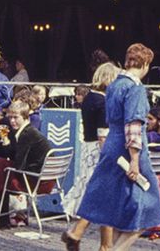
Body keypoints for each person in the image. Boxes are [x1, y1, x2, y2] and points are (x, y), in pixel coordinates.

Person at [71, 44, 160, 250]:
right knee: (148, 208)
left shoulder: (113, 85)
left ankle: (88, 237)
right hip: (128, 149)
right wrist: (136, 161)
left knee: (114, 202)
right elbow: (133, 125)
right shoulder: (136, 88)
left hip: (112, 144)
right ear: (145, 63)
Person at [62, 62, 118, 249]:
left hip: (88, 147)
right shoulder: (103, 102)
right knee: (103, 196)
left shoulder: (88, 99)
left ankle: (104, 244)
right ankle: (82, 233)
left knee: (100, 195)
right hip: (99, 150)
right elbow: (103, 134)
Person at [0, 99, 52, 226]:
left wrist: (6, 149)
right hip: (42, 177)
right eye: (10, 117)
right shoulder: (26, 131)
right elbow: (11, 155)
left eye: (16, 117)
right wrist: (6, 141)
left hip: (36, 181)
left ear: (25, 117)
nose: (12, 121)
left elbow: (18, 165)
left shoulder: (26, 135)